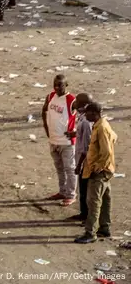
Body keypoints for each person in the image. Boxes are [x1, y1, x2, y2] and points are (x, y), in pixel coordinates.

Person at [75, 101, 116, 244]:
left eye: (87, 112)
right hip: (106, 169)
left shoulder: (101, 128)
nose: (85, 115)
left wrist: (98, 166)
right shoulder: (102, 125)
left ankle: (90, 232)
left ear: (94, 113)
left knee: (93, 202)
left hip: (99, 171)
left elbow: (106, 151)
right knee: (105, 199)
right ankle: (104, 227)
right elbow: (114, 138)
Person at [41, 75, 79, 206]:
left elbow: (87, 117)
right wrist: (46, 129)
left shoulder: (72, 100)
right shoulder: (50, 96)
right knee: (59, 168)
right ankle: (62, 191)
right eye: (55, 85)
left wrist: (76, 132)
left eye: (60, 85)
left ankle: (71, 194)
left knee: (70, 168)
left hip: (67, 143)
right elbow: (44, 110)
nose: (57, 88)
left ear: (66, 85)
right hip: (53, 140)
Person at [68, 93, 94, 221]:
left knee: (85, 190)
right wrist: (74, 133)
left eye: (77, 101)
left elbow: (87, 146)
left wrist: (79, 165)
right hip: (83, 159)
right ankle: (84, 214)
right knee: (84, 190)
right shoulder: (84, 118)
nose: (75, 103)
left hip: (85, 162)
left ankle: (86, 216)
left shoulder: (86, 121)